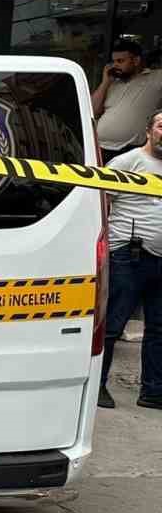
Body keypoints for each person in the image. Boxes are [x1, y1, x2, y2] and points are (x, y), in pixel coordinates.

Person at [98, 110, 162, 410]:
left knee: (158, 329)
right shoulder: (128, 162)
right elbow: (101, 203)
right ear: (149, 130)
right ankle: (98, 387)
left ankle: (152, 391)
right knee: (112, 324)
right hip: (128, 255)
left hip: (160, 259)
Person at [93, 40, 162, 159]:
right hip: (99, 148)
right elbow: (93, 110)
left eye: (120, 61)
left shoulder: (156, 78)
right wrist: (105, 83)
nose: (115, 65)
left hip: (131, 150)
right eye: (113, 61)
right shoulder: (112, 83)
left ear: (136, 61)